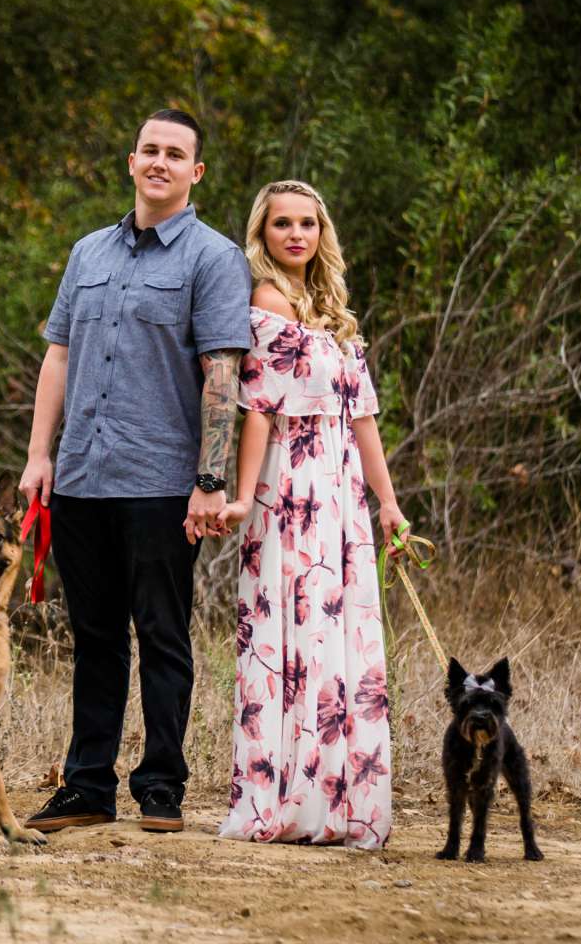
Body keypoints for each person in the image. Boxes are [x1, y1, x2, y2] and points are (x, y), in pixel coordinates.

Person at [19, 108, 253, 835]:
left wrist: (209, 479)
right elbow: (58, 354)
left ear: (195, 172)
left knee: (162, 633)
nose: (160, 162)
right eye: (149, 150)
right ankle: (88, 786)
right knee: (93, 638)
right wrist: (39, 454)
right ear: (131, 162)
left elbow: (223, 373)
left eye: (174, 153)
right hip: (84, 477)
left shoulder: (212, 259)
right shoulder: (88, 253)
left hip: (160, 483)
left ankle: (162, 786)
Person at [214, 179, 408, 849]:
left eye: (307, 224)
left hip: (343, 490)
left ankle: (338, 797)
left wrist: (388, 504)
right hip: (292, 488)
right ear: (262, 235)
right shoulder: (265, 302)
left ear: (322, 233)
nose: (295, 234)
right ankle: (290, 795)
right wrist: (242, 497)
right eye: (281, 225)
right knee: (291, 632)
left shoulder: (333, 310)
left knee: (340, 635)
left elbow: (365, 419)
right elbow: (261, 411)